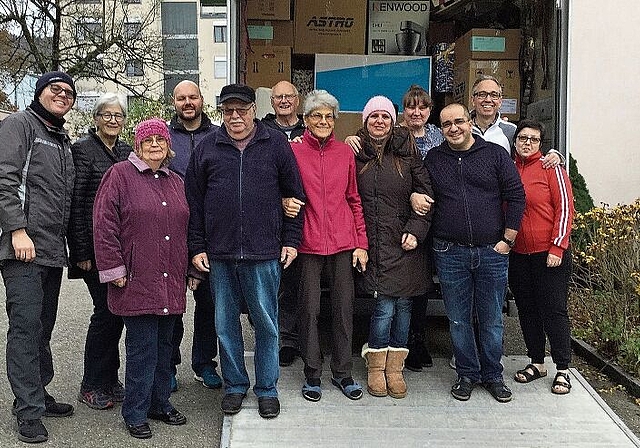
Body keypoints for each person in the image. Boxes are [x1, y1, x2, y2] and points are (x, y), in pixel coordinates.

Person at [185, 84, 304, 419]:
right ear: (221, 111)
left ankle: (267, 389)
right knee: (225, 325)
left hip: (264, 252)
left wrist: (291, 240)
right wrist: (196, 247)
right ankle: (235, 385)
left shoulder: (275, 143)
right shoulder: (208, 147)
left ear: (254, 109)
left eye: (241, 109)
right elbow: (193, 203)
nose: (234, 116)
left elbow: (295, 195)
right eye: (227, 110)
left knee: (266, 324)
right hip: (220, 254)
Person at [93, 118, 194, 439]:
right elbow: (104, 225)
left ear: (168, 147)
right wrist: (115, 270)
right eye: (147, 140)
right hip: (136, 279)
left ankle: (159, 403)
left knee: (167, 347)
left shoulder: (176, 181)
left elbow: (186, 229)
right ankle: (135, 411)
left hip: (171, 280)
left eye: (160, 141)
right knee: (142, 349)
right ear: (137, 145)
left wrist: (191, 269)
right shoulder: (119, 175)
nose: (154, 145)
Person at [425, 103, 525, 403]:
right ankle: (467, 374)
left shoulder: (494, 155)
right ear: (440, 129)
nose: (453, 128)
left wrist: (508, 239)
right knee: (458, 319)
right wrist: (417, 194)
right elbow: (421, 189)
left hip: (492, 251)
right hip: (449, 251)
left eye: (459, 121)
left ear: (470, 122)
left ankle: (493, 375)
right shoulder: (434, 158)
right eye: (446, 124)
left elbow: (516, 196)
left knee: (492, 317)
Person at [0, 71, 76, 444]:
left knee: (43, 329)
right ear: (39, 92)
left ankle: (38, 394)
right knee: (26, 329)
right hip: (22, 249)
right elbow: (4, 179)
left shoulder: (59, 138)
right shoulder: (19, 125)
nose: (63, 95)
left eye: (69, 92)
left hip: (50, 250)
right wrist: (16, 230)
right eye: (55, 89)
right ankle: (27, 411)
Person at [290, 90, 368, 402]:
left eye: (328, 116)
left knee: (344, 310)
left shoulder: (345, 154)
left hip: (343, 242)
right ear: (305, 120)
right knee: (309, 310)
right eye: (316, 116)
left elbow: (354, 199)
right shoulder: (293, 152)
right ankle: (312, 374)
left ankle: (343, 373)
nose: (323, 121)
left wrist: (361, 243)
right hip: (308, 242)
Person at [355, 96, 433, 399]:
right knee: (383, 306)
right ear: (364, 121)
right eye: (373, 115)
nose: (379, 121)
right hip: (372, 244)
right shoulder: (355, 153)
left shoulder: (408, 152)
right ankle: (376, 367)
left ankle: (395, 368)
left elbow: (426, 195)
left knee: (403, 307)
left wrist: (416, 230)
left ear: (393, 120)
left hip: (405, 243)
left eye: (384, 116)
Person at [69, 92, 131, 410]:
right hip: (92, 249)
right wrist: (81, 250)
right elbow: (77, 203)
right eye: (106, 114)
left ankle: (109, 379)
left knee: (115, 314)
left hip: (118, 247)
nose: (112, 120)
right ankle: (91, 383)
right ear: (96, 118)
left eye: (117, 115)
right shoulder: (82, 149)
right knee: (105, 313)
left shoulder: (124, 150)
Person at [509, 119, 575, 395]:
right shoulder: (509, 168)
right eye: (523, 138)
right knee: (527, 311)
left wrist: (557, 247)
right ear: (515, 141)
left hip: (549, 254)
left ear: (540, 143)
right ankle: (536, 362)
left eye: (533, 139)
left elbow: (565, 209)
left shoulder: (552, 168)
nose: (527, 143)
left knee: (553, 310)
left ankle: (563, 368)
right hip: (518, 254)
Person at [168, 80, 222, 391]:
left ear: (202, 100)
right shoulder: (164, 137)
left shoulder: (218, 136)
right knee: (173, 303)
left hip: (210, 233)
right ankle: (169, 364)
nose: (188, 102)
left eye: (193, 97)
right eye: (181, 98)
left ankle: (204, 362)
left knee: (209, 303)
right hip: (172, 233)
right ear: (174, 103)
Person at [399, 85, 443, 372]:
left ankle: (418, 337)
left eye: (422, 107)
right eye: (411, 107)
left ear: (429, 110)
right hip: (404, 216)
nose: (417, 112)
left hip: (434, 215)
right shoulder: (394, 134)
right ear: (404, 109)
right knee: (406, 282)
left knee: (424, 284)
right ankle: (403, 344)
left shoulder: (440, 135)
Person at [262, 80, 305, 367]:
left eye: (289, 96)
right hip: (268, 218)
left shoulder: (314, 126)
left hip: (303, 216)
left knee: (293, 283)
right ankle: (272, 338)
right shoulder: (261, 131)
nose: (284, 101)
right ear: (272, 102)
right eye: (278, 97)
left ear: (298, 100)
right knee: (268, 284)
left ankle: (289, 339)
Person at [470, 75, 562, 168]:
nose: (488, 100)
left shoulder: (511, 131)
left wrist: (554, 156)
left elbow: (530, 158)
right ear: (473, 100)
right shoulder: (461, 130)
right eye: (482, 95)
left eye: (494, 95)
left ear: (500, 101)